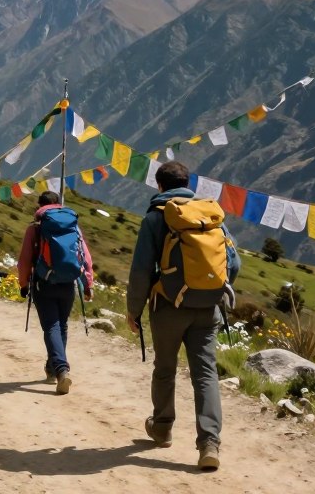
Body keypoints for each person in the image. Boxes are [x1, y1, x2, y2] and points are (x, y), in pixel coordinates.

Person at [126, 160, 241, 471]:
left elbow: (140, 271)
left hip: (168, 307)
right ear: (189, 184)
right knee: (205, 374)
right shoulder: (211, 215)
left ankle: (162, 428)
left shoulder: (156, 217)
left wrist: (133, 311)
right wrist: (211, 290)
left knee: (165, 368)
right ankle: (209, 444)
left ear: (160, 185)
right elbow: (235, 263)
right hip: (208, 309)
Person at [17, 191, 94, 395]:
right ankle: (53, 369)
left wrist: (23, 285)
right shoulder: (73, 226)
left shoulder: (35, 228)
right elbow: (85, 257)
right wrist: (88, 284)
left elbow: (24, 260)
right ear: (59, 205)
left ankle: (61, 370)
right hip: (69, 283)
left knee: (51, 325)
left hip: (44, 284)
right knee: (62, 325)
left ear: (39, 207)